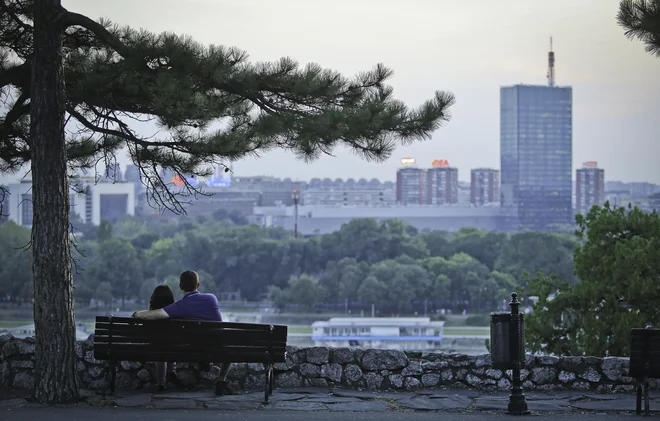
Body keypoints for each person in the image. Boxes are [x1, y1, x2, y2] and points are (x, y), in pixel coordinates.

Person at [133, 270, 232, 396]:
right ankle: (221, 380)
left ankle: (201, 363)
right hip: (217, 349)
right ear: (198, 284)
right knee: (228, 350)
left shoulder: (180, 306)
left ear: (180, 287)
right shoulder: (212, 299)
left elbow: (152, 315)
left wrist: (136, 314)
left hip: (194, 350)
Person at [146, 285, 179, 391]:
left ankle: (161, 383)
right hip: (173, 347)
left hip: (155, 348)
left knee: (159, 350)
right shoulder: (174, 314)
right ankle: (172, 371)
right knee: (169, 345)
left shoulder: (150, 315)